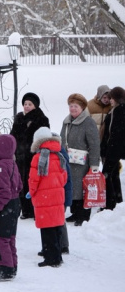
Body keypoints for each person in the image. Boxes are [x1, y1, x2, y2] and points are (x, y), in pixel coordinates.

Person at [28, 127, 68, 267]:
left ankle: (51, 258)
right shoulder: (59, 155)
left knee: (46, 228)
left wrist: (32, 192)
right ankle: (57, 255)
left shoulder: (39, 157)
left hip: (44, 196)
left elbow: (34, 179)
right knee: (56, 226)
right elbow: (64, 177)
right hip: (57, 195)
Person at [0, 135, 23, 281]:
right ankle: (12, 266)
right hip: (14, 204)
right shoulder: (12, 163)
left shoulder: (0, 166)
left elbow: (5, 192)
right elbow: (18, 186)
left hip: (4, 207)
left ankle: (4, 268)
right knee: (9, 237)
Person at [60, 93, 101, 226]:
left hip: (83, 162)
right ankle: (74, 213)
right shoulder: (67, 121)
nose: (72, 109)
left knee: (83, 189)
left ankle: (83, 215)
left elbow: (94, 144)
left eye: (75, 106)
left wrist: (94, 164)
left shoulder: (88, 122)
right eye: (71, 106)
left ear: (82, 107)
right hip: (69, 161)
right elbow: (61, 140)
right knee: (72, 188)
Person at [8, 92, 50, 220]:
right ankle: (25, 210)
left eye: (30, 104)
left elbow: (44, 138)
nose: (26, 106)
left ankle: (36, 209)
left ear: (35, 106)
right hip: (19, 156)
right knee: (21, 183)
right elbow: (12, 136)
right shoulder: (19, 118)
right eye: (25, 104)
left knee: (34, 182)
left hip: (33, 156)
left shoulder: (41, 119)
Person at [101, 86, 125, 211]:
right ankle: (117, 201)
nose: (110, 100)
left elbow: (116, 134)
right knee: (113, 175)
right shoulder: (114, 110)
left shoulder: (119, 111)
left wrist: (110, 149)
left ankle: (110, 204)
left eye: (112, 98)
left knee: (107, 175)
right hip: (112, 148)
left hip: (114, 149)